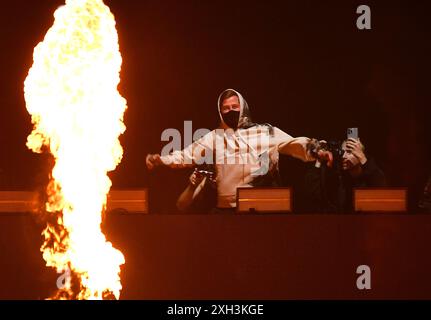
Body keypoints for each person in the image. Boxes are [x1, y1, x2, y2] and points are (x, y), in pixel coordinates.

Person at [147, 89, 331, 212]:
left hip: (261, 209)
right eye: (225, 109)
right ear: (220, 113)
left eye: (234, 107)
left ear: (243, 108)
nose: (231, 111)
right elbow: (187, 155)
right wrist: (162, 160)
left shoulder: (263, 131)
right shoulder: (215, 137)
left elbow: (293, 144)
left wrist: (317, 150)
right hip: (226, 211)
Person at [301, 137, 387, 213]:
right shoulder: (340, 178)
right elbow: (314, 196)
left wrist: (361, 156)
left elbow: (381, 189)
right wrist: (319, 160)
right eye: (343, 152)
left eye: (349, 152)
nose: (344, 156)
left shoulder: (371, 175)